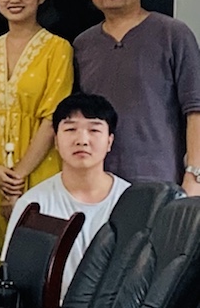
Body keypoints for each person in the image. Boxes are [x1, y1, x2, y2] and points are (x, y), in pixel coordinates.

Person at [0, 0, 73, 276]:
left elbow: (53, 117)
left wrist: (18, 178)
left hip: (41, 170)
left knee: (39, 264)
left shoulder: (58, 48)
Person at [73, 0, 200, 191]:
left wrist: (194, 174)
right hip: (97, 181)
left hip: (161, 179)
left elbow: (195, 107)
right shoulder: (82, 44)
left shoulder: (173, 33)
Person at [7, 93, 130, 286]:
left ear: (109, 141)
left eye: (94, 130)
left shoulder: (132, 201)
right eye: (71, 129)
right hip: (49, 306)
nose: (82, 140)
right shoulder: (33, 205)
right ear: (56, 141)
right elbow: (14, 277)